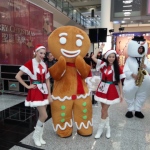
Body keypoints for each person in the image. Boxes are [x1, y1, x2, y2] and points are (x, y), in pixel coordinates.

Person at [15, 45, 52, 147]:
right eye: (41, 53)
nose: (43, 55)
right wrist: (28, 86)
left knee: (42, 115)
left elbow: (47, 79)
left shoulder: (44, 64)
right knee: (44, 115)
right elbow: (17, 76)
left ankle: (40, 136)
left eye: (44, 53)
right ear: (35, 52)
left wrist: (49, 94)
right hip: (36, 90)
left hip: (44, 90)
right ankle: (36, 136)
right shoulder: (30, 63)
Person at [92, 48, 125, 139]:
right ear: (107, 57)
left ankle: (100, 129)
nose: (111, 58)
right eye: (109, 57)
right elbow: (93, 57)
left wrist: (121, 94)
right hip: (102, 88)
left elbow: (119, 82)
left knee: (103, 110)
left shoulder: (117, 68)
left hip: (110, 89)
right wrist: (99, 49)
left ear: (115, 58)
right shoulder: (103, 64)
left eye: (113, 57)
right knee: (104, 110)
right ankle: (108, 128)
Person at [123, 36, 150, 119]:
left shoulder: (145, 58)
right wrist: (132, 75)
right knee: (128, 93)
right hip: (132, 80)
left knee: (142, 94)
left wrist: (146, 67)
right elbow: (126, 69)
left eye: (142, 48)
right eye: (139, 48)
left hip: (143, 80)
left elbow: (149, 69)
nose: (140, 50)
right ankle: (130, 109)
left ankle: (138, 109)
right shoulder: (129, 59)